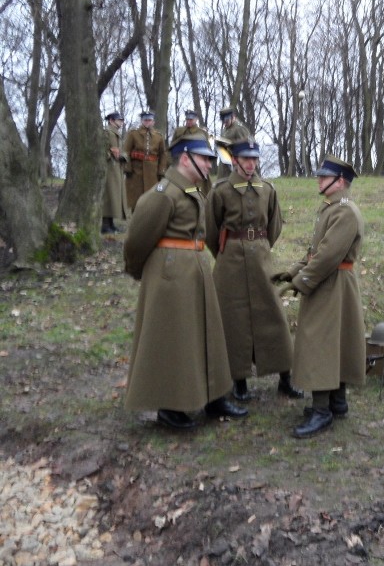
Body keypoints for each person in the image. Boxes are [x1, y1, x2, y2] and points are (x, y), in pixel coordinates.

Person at [123, 129, 248, 429]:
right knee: (174, 342)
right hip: (171, 278)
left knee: (207, 336)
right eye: (204, 159)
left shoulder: (192, 190)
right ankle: (170, 406)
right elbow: (137, 242)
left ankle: (214, 395)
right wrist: (148, 274)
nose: (209, 165)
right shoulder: (163, 194)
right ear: (185, 159)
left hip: (195, 272)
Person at [272, 155, 365, 439]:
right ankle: (337, 403)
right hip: (329, 283)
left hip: (332, 284)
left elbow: (327, 256)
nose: (319, 180)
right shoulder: (331, 208)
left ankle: (322, 410)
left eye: (325, 177)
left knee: (322, 345)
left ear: (340, 182)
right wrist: (292, 272)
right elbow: (316, 251)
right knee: (332, 344)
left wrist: (302, 282)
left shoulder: (345, 212)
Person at [205, 137, 303, 401]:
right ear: (235, 160)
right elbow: (211, 229)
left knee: (273, 316)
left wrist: (259, 247)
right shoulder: (221, 191)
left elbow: (274, 226)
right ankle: (238, 382)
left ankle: (285, 376)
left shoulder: (268, 189)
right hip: (230, 263)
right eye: (246, 159)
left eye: (255, 159)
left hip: (261, 260)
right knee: (232, 321)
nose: (251, 164)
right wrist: (227, 254)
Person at [124, 111, 168, 211]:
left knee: (151, 197)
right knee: (136, 197)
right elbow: (126, 151)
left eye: (150, 120)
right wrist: (128, 168)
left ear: (153, 122)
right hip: (136, 172)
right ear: (142, 121)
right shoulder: (133, 134)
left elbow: (163, 154)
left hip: (153, 172)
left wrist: (161, 171)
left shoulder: (159, 136)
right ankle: (136, 218)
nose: (147, 122)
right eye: (145, 120)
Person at [172, 110, 213, 196]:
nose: (189, 121)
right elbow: (173, 148)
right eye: (188, 119)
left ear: (196, 120)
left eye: (191, 119)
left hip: (198, 163)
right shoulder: (179, 131)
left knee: (201, 190)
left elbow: (208, 149)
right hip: (182, 163)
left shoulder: (202, 132)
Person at [101, 111, 129, 234]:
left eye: (121, 120)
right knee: (109, 197)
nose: (121, 122)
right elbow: (101, 150)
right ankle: (105, 225)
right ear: (111, 120)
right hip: (109, 169)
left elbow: (121, 151)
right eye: (119, 120)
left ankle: (111, 224)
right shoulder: (107, 132)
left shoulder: (116, 133)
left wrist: (122, 156)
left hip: (116, 168)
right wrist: (110, 154)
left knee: (114, 197)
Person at [218, 107, 251, 180]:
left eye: (226, 121)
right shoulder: (225, 130)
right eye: (223, 121)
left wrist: (231, 144)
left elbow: (247, 146)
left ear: (233, 117)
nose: (224, 123)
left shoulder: (240, 129)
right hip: (225, 161)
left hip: (236, 163)